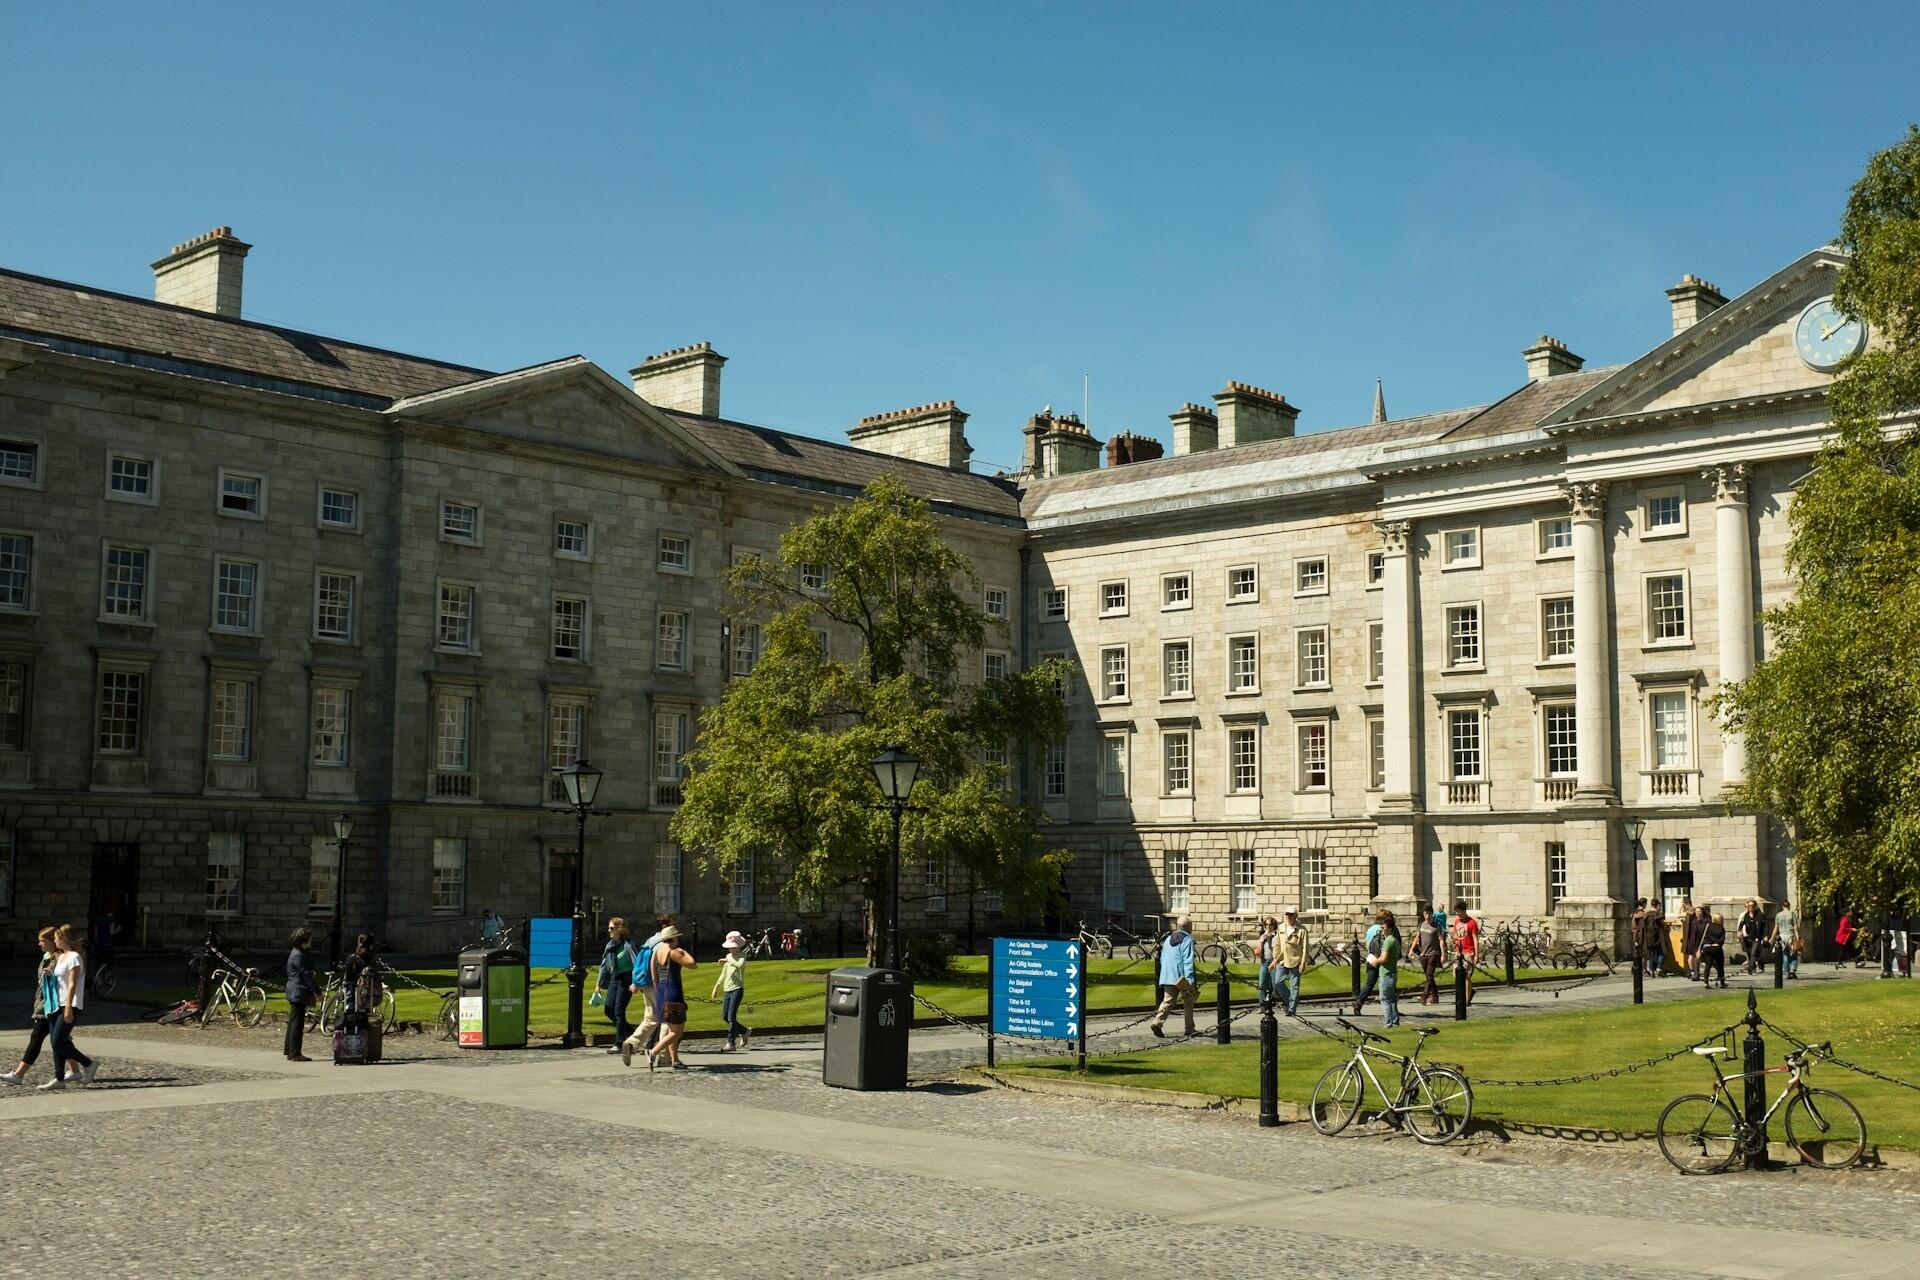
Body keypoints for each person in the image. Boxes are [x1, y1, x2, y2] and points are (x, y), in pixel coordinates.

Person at [1, 928, 59, 1086]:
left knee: (36, 1038)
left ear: (53, 942)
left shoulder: (58, 959)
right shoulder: (46, 957)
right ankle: (81, 1068)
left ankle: (18, 1074)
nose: (39, 944)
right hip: (43, 1003)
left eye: (43, 941)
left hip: (50, 1006)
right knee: (61, 1040)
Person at [42, 923, 96, 1090]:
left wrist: (68, 1007)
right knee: (55, 1042)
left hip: (69, 1005)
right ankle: (59, 1079)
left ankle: (89, 1064)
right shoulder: (63, 956)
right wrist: (51, 974)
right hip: (56, 1004)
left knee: (58, 1042)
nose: (55, 941)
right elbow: (63, 980)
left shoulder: (74, 957)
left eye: (57, 938)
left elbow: (72, 983)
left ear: (63, 939)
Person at [620, 915, 672, 1067]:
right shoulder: (664, 943)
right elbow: (659, 967)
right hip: (658, 985)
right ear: (667, 925)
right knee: (666, 1020)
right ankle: (664, 1057)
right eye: (673, 924)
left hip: (645, 984)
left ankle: (631, 1043)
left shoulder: (651, 940)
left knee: (651, 1018)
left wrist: (637, 983)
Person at [646, 924, 698, 1070]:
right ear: (675, 938)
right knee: (677, 1031)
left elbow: (654, 977)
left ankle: (675, 1059)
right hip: (673, 991)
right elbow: (693, 964)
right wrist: (683, 951)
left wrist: (660, 994)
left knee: (670, 1030)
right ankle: (653, 1051)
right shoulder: (674, 952)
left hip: (661, 992)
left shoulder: (656, 953)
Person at [1150, 914, 1197, 1038]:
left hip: (1167, 975)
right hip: (1181, 977)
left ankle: (1157, 1022)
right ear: (1189, 927)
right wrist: (1190, 980)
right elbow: (1188, 961)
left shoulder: (1169, 939)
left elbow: (1163, 959)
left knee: (1168, 1001)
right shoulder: (1187, 940)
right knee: (1188, 1001)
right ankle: (1189, 1029)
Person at [596, 917, 637, 1050]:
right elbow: (603, 965)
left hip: (627, 978)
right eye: (609, 928)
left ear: (620, 929)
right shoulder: (610, 945)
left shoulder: (628, 945)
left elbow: (636, 963)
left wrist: (636, 982)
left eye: (612, 928)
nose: (609, 931)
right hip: (615, 977)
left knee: (619, 1010)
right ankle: (632, 1032)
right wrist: (598, 985)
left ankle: (619, 1043)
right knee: (608, 1009)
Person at [284, 928, 321, 1062]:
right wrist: (317, 993)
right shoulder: (299, 955)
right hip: (298, 990)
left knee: (294, 1021)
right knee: (297, 1024)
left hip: (295, 990)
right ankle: (295, 1052)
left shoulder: (298, 953)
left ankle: (290, 1050)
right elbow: (307, 976)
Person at [713, 930, 751, 1051]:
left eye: (732, 947)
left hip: (737, 988)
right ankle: (744, 1031)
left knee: (731, 1016)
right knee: (725, 1016)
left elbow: (739, 965)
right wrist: (716, 986)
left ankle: (731, 1043)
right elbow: (724, 973)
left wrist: (728, 961)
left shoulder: (742, 955)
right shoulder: (728, 956)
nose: (730, 949)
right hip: (727, 989)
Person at [1367, 911, 1403, 1028]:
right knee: (1392, 999)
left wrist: (1374, 961)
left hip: (1386, 973)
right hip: (1393, 972)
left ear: (1389, 928)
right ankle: (1395, 1021)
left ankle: (1388, 1022)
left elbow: (1384, 959)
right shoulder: (1395, 941)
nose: (1381, 929)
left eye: (1383, 927)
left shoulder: (1388, 941)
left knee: (1385, 1000)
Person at [1273, 908, 1308, 1017]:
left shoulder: (1302, 930)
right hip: (1282, 959)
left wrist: (1303, 963)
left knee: (1294, 986)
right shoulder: (1281, 927)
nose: (1288, 916)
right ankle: (1290, 1001)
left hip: (1295, 960)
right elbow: (1277, 943)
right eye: (1286, 914)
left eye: (1291, 914)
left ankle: (1292, 1008)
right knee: (1278, 982)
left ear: (1295, 916)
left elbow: (1305, 948)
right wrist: (1275, 958)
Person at [1353, 913, 1386, 1012]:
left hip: (1371, 958)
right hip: (1382, 958)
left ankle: (1359, 1001)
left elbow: (1368, 946)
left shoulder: (1370, 929)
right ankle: (1390, 1008)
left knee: (1369, 983)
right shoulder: (1385, 929)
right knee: (1387, 982)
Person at [1413, 904, 1442, 1006]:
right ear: (1423, 914)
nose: (1428, 915)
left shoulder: (1436, 926)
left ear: (1432, 914)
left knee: (1429, 975)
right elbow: (1417, 938)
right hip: (1423, 954)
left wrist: (1443, 954)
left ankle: (1424, 996)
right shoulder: (1421, 925)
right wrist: (1411, 950)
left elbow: (1441, 940)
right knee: (1429, 977)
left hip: (1433, 954)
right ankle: (1435, 997)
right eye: (1426, 913)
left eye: (1429, 913)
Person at [1451, 903, 1479, 1006]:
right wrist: (1454, 940)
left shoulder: (1472, 923)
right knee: (1456, 975)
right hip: (1459, 951)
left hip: (1468, 951)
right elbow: (1456, 935)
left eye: (1459, 911)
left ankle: (1466, 999)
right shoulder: (1457, 922)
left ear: (1464, 911)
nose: (1458, 914)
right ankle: (1465, 994)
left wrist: (1476, 955)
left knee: (1467, 976)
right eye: (1456, 912)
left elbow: (1475, 939)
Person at [1252, 916, 1279, 1007]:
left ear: (1274, 925)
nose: (1268, 926)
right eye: (1266, 924)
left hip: (1274, 961)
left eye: (1270, 924)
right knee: (1262, 984)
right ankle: (1262, 1005)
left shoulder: (1277, 936)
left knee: (1275, 984)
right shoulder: (1262, 936)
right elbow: (1259, 950)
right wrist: (1260, 945)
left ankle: (1280, 1002)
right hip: (1264, 962)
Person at [1770, 900, 1800, 979]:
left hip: (1782, 937)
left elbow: (1776, 928)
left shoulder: (1778, 915)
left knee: (1785, 955)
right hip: (1791, 936)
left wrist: (1772, 939)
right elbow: (1795, 928)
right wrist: (1798, 938)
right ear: (1789, 906)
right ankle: (1792, 970)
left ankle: (1786, 973)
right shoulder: (1793, 914)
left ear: (1782, 906)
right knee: (1794, 954)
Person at [1738, 900, 1767, 974]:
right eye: (1749, 906)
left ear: (1755, 906)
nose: (1750, 907)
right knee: (1751, 953)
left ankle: (1750, 968)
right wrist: (1739, 931)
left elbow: (1765, 926)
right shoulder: (1746, 916)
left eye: (1752, 906)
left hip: (1757, 938)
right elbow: (1741, 924)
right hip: (1748, 938)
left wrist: (1766, 935)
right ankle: (1754, 968)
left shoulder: (1760, 915)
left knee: (1753, 953)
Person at [1699, 913, 1728, 988]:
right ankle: (1722, 982)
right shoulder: (1721, 928)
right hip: (1716, 948)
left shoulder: (1707, 927)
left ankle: (1706, 982)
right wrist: (1716, 942)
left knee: (1708, 965)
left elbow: (1703, 937)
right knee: (1720, 966)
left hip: (1707, 948)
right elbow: (1721, 940)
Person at [1682, 903, 1707, 982]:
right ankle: (1695, 974)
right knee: (1696, 958)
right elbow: (1692, 933)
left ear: (1702, 912)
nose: (1697, 913)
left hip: (1704, 941)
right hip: (1695, 942)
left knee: (1705, 959)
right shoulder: (1694, 921)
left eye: (1699, 911)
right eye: (1696, 911)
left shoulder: (1706, 921)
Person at [1642, 898, 1665, 978]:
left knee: (1651, 955)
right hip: (1659, 937)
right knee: (1661, 953)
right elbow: (1662, 926)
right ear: (1657, 905)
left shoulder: (1646, 915)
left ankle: (1652, 971)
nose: (1660, 907)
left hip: (1649, 938)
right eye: (1659, 906)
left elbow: (1643, 927)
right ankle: (1658, 967)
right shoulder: (1658, 914)